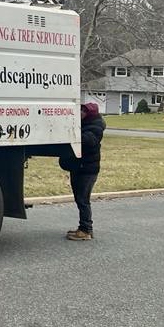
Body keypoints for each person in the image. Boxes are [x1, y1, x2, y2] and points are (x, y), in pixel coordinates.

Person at [60, 101, 105, 241]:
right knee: (79, 199)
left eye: (84, 111)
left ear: (89, 114)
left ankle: (86, 230)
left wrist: (73, 134)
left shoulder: (95, 127)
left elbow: (90, 140)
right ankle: (83, 227)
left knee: (83, 200)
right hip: (79, 167)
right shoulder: (82, 125)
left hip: (88, 170)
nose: (80, 113)